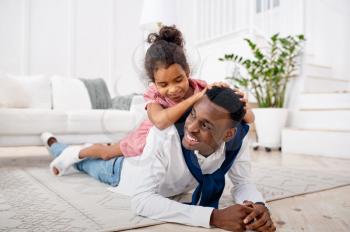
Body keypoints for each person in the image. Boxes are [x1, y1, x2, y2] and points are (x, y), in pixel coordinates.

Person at [42, 87, 275, 232]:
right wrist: (213, 217)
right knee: (84, 163)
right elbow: (141, 200)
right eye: (192, 115)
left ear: (228, 134)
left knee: (98, 150)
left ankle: (70, 147)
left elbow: (243, 183)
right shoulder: (164, 135)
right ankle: (56, 145)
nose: (191, 128)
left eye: (205, 125)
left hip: (159, 174)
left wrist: (258, 206)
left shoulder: (238, 139)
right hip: (121, 170)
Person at [45, 25, 255, 176]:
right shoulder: (155, 96)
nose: (172, 89)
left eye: (178, 80)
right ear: (154, 82)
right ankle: (72, 154)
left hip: (174, 151)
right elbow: (161, 121)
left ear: (188, 72)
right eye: (163, 84)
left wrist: (240, 101)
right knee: (108, 153)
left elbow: (248, 117)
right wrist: (196, 99)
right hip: (144, 139)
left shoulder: (201, 87)